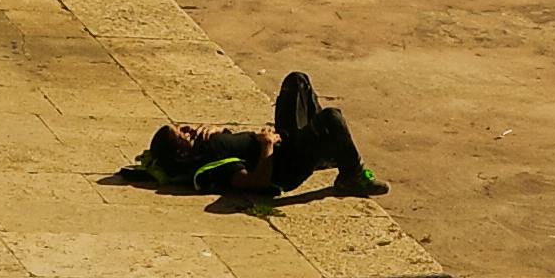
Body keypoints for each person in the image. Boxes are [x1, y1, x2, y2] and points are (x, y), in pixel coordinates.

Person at [131, 72, 386, 204]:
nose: (188, 129)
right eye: (182, 134)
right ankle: (351, 175)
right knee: (332, 118)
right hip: (287, 164)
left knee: (297, 81)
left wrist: (219, 130)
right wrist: (266, 146)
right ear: (182, 153)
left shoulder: (207, 141)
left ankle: (324, 148)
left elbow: (235, 145)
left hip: (285, 140)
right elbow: (256, 182)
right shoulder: (210, 161)